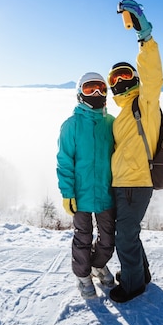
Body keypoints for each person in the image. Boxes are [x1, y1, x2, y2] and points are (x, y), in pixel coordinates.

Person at [107, 0, 163, 303]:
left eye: (127, 75)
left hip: (136, 182)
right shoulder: (122, 115)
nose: (122, 81)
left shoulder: (145, 103)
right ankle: (141, 273)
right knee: (129, 233)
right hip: (122, 184)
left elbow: (153, 76)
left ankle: (132, 285)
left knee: (124, 236)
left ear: (136, 79)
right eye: (115, 78)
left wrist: (145, 38)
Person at [56, 72, 117, 299]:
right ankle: (83, 277)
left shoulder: (111, 123)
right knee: (83, 236)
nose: (97, 93)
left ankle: (98, 265)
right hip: (80, 195)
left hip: (105, 192)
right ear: (80, 93)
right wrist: (67, 192)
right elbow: (64, 161)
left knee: (108, 237)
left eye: (101, 88)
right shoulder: (70, 125)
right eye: (90, 89)